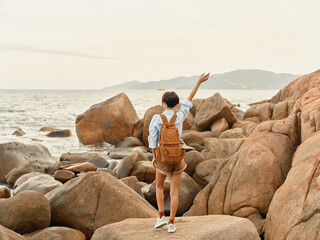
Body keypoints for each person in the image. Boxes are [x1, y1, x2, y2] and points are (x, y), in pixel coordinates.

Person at [148, 73, 210, 233]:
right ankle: (171, 223)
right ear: (176, 104)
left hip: (163, 158)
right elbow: (189, 100)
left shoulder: (157, 118)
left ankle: (160, 216)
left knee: (160, 187)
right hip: (178, 157)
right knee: (175, 191)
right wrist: (198, 82)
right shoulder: (180, 116)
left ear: (163, 103)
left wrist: (154, 157)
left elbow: (153, 140)